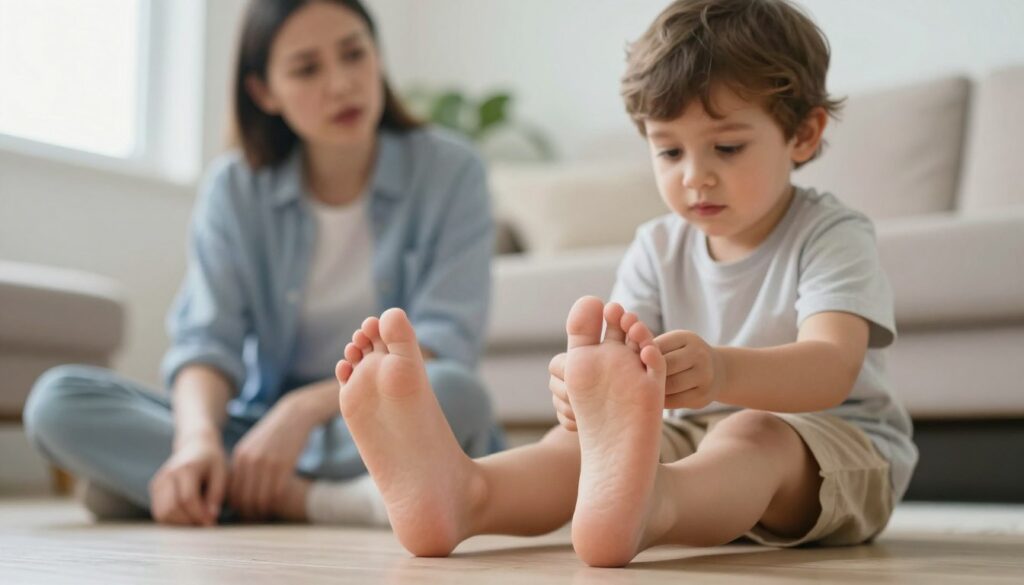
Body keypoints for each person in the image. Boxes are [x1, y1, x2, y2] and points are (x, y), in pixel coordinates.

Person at [332, 0, 917, 567]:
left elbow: (832, 367)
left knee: (750, 432)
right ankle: (467, 494)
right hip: (686, 434)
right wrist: (587, 393)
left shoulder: (831, 233)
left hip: (834, 447)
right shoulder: (657, 245)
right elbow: (621, 370)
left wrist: (723, 372)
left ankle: (655, 508)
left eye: (728, 147)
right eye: (668, 151)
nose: (695, 176)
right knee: (578, 449)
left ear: (804, 135)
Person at [24, 0, 502, 527]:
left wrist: (297, 413)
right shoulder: (235, 187)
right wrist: (196, 441)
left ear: (377, 57)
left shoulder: (451, 172)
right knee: (56, 400)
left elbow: (442, 343)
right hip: (255, 427)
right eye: (307, 68)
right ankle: (310, 498)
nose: (342, 84)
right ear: (263, 91)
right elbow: (207, 343)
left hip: (376, 414)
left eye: (353, 55)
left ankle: (188, 490)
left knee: (459, 394)